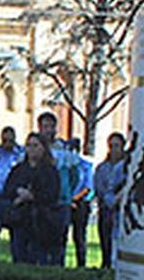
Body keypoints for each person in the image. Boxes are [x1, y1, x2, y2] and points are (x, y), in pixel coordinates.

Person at [3, 134, 63, 265]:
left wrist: (32, 196)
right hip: (20, 219)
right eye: (29, 146)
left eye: (35, 146)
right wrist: (18, 192)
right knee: (19, 255)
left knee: (38, 256)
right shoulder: (19, 169)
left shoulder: (50, 171)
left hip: (41, 221)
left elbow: (52, 194)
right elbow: (8, 188)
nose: (31, 149)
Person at [36, 112, 77, 266]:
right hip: (40, 202)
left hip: (61, 204)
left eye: (51, 126)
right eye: (45, 127)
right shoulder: (35, 148)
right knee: (39, 242)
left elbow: (75, 175)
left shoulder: (65, 151)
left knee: (59, 243)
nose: (48, 130)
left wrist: (66, 193)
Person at [92, 133, 127, 268]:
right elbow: (100, 189)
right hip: (106, 211)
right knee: (105, 244)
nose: (113, 150)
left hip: (120, 213)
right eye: (111, 146)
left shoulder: (126, 168)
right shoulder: (102, 168)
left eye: (117, 146)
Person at [0, 127, 24, 259]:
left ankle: (18, 260)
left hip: (14, 198)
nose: (8, 142)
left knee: (16, 234)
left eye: (10, 140)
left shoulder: (21, 154)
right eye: (5, 139)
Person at [66, 138, 95, 268]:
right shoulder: (65, 164)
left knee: (79, 236)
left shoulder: (86, 165)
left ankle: (81, 263)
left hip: (80, 204)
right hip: (65, 203)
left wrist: (74, 199)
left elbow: (87, 187)